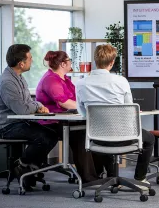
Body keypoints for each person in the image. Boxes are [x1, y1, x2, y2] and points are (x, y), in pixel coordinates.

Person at [75, 44, 155, 189]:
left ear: (95, 61)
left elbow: (82, 113)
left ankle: (112, 178)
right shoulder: (121, 81)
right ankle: (140, 178)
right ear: (112, 62)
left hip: (96, 137)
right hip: (123, 136)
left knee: (107, 134)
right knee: (149, 139)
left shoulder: (81, 83)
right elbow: (129, 109)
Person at [0, 44, 58, 188]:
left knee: (52, 135)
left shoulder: (19, 78)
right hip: (4, 127)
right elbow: (22, 109)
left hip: (18, 123)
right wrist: (38, 106)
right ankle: (22, 166)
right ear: (21, 63)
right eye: (30, 58)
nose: (32, 61)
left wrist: (37, 105)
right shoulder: (7, 82)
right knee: (41, 137)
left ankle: (27, 167)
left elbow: (29, 102)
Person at [36, 50, 106, 183]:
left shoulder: (65, 79)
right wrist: (88, 108)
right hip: (52, 123)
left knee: (94, 129)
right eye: (69, 61)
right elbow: (64, 102)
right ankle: (88, 178)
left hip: (66, 120)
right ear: (63, 64)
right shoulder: (51, 79)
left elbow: (77, 97)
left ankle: (98, 172)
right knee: (82, 133)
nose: (71, 63)